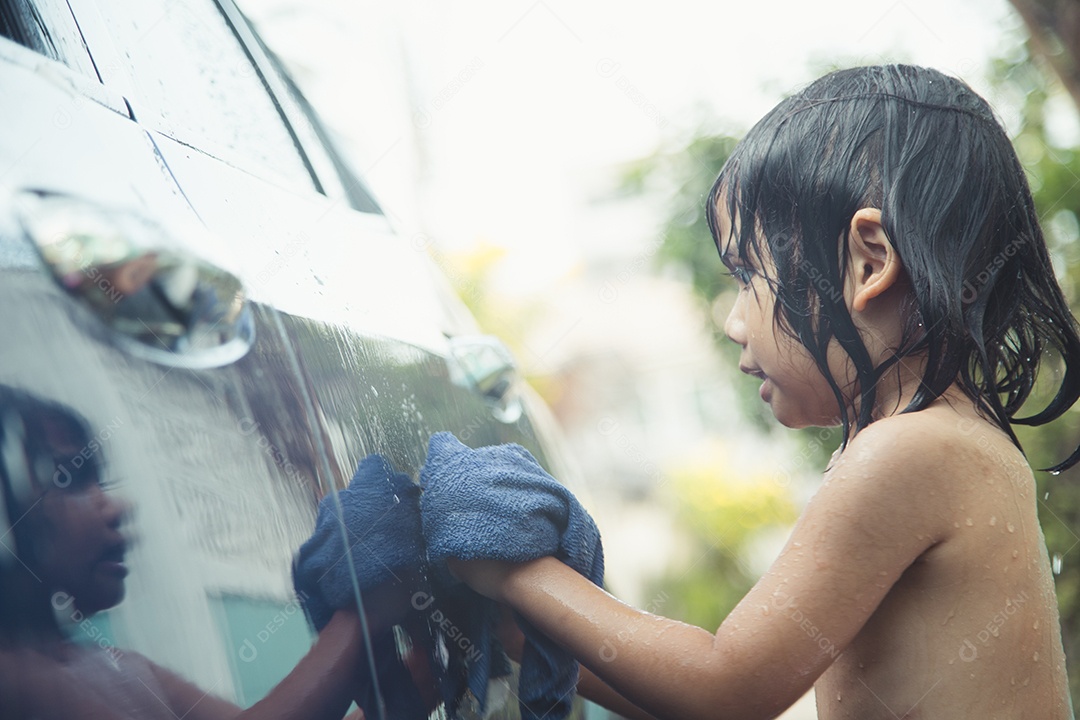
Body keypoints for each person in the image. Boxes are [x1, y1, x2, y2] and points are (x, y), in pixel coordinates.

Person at [449, 64, 1076, 719]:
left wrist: (513, 573)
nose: (732, 321)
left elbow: (726, 690)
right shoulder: (952, 441)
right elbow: (744, 693)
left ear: (869, 262)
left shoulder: (911, 452)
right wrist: (531, 637)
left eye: (748, 274)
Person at [0, 385, 409, 720]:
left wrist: (424, 667)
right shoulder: (17, 680)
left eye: (100, 482)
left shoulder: (121, 668)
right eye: (67, 476)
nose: (119, 506)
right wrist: (364, 608)